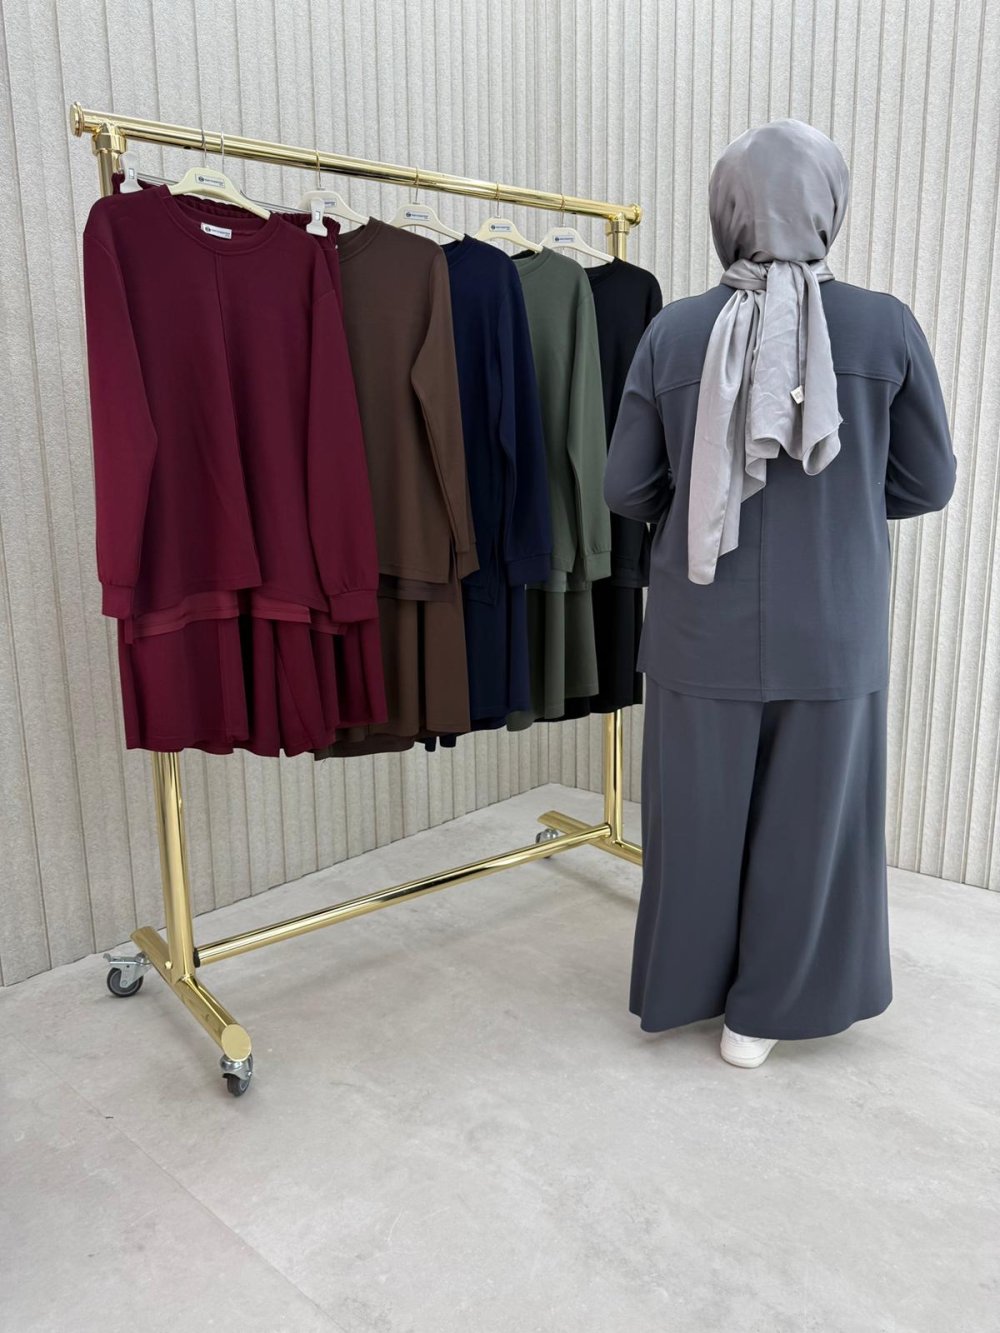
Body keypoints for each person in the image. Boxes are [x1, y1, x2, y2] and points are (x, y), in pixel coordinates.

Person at [604, 120, 956, 1068]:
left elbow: (626, 488)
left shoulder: (675, 329)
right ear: (828, 205)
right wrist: (844, 495)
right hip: (832, 623)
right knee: (810, 823)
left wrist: (705, 490)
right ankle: (762, 1016)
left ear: (726, 210)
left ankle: (688, 987)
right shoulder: (884, 326)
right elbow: (929, 480)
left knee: (696, 821)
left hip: (697, 622)